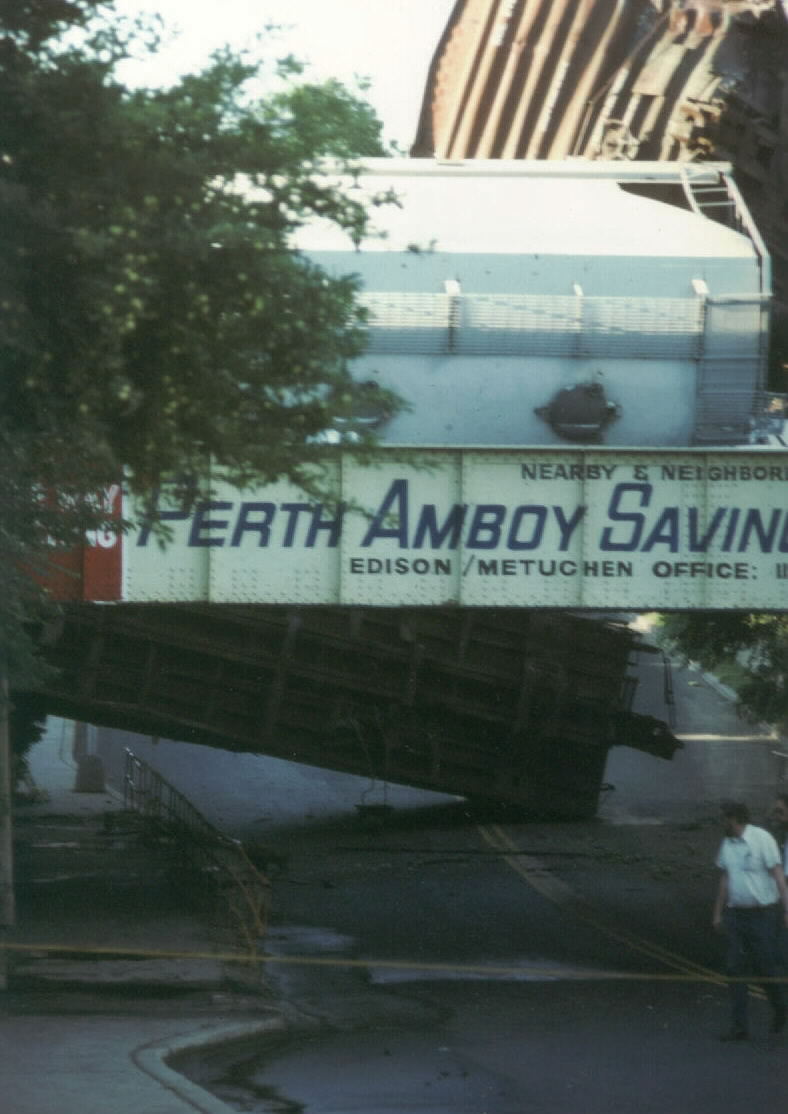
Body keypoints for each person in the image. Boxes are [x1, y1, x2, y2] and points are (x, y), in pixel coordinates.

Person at [712, 800, 788, 1041]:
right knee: (734, 968)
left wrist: (787, 910)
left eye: (723, 817)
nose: (721, 822)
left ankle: (780, 1005)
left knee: (764, 966)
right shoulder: (727, 844)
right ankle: (739, 1027)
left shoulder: (762, 839)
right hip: (737, 914)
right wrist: (717, 912)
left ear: (734, 818)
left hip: (762, 914)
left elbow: (778, 876)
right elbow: (725, 878)